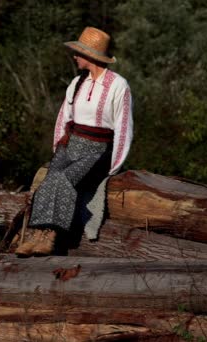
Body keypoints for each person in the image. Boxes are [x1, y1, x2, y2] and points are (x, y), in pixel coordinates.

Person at [15, 26, 133, 256]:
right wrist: (58, 149)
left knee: (65, 179)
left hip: (97, 150)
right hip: (70, 145)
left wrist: (115, 165)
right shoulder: (77, 83)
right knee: (49, 179)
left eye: (78, 52)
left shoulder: (119, 86)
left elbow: (124, 126)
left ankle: (50, 235)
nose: (75, 56)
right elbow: (64, 117)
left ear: (90, 56)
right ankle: (36, 234)